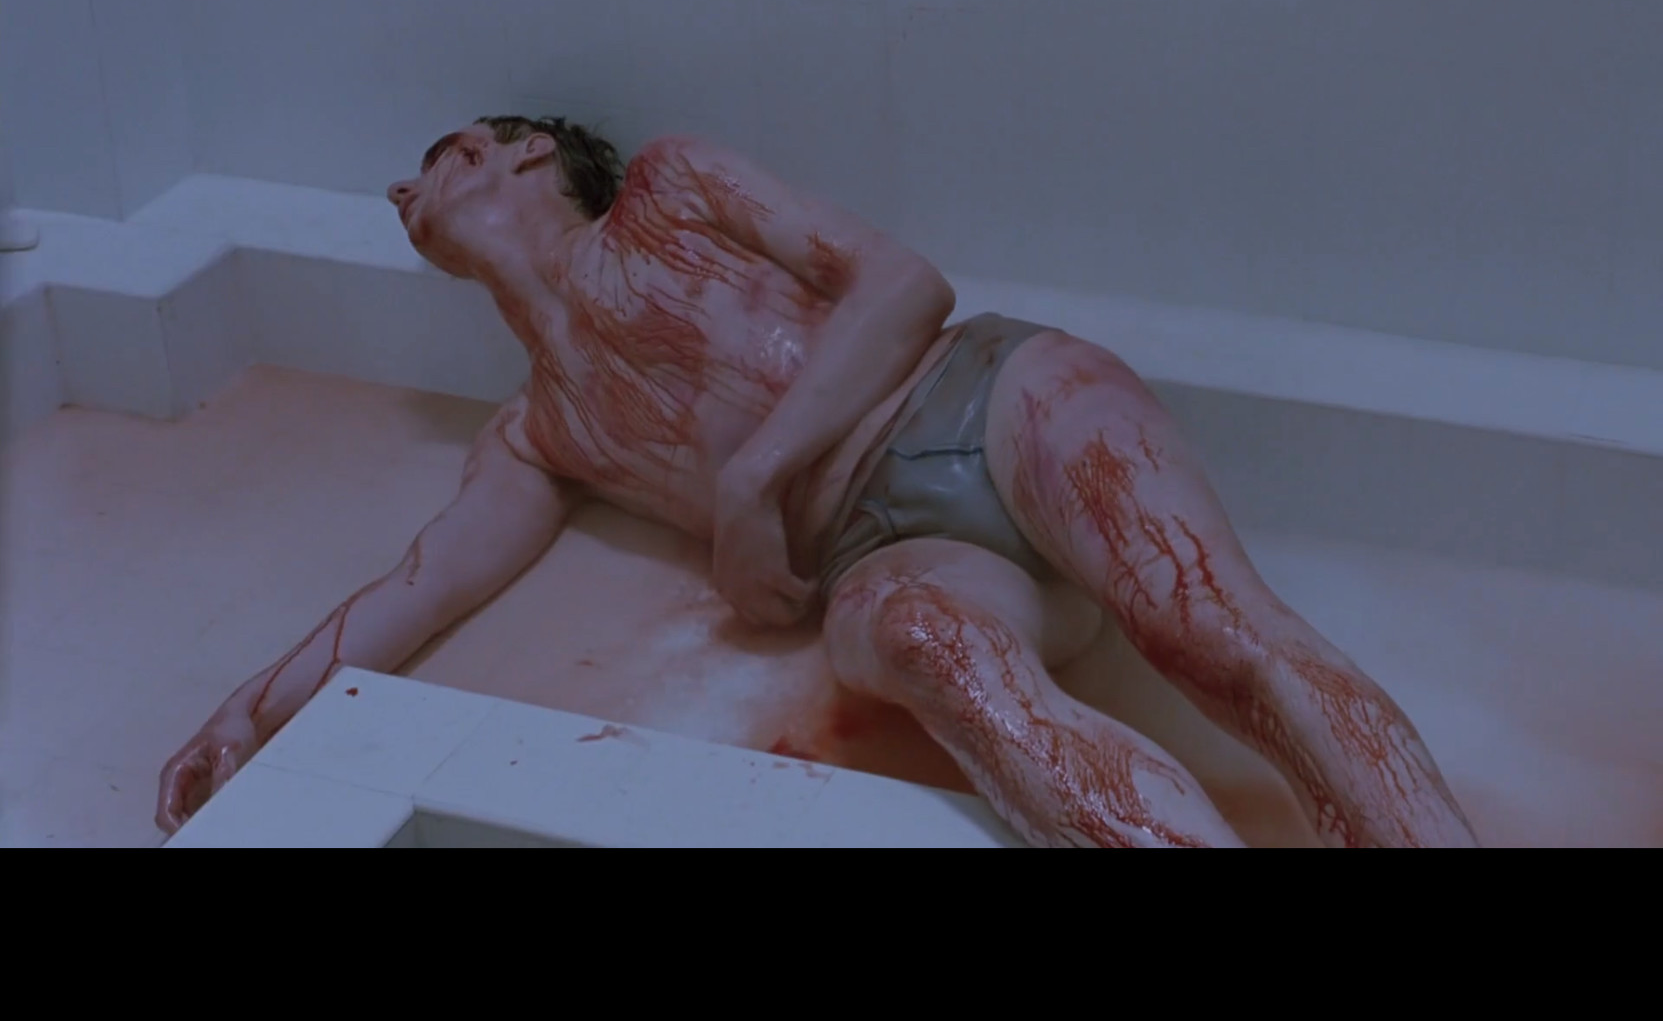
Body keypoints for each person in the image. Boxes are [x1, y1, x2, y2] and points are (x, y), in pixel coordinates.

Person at [157, 116, 1479, 848]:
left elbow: (906, 288)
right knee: (945, 667)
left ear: (523, 154)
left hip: (988, 399)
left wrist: (750, 488)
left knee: (1209, 627)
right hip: (888, 552)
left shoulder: (671, 188)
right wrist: (248, 713)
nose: (402, 184)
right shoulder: (540, 431)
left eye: (438, 155)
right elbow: (420, 584)